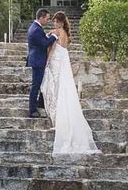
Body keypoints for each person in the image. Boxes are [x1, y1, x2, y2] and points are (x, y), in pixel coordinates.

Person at [41, 11, 101, 155]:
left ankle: (58, 120)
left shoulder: (57, 32)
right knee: (61, 89)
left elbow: (54, 48)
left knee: (56, 89)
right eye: (54, 21)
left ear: (61, 22)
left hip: (56, 61)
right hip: (62, 61)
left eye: (56, 21)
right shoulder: (64, 33)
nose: (54, 23)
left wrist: (47, 61)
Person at [27, 8, 57, 118]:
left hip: (37, 59)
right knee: (36, 85)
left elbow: (41, 41)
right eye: (47, 19)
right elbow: (44, 44)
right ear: (41, 17)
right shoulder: (36, 29)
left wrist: (48, 35)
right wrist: (54, 36)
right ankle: (32, 110)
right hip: (38, 61)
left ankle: (40, 104)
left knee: (39, 83)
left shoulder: (36, 28)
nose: (48, 21)